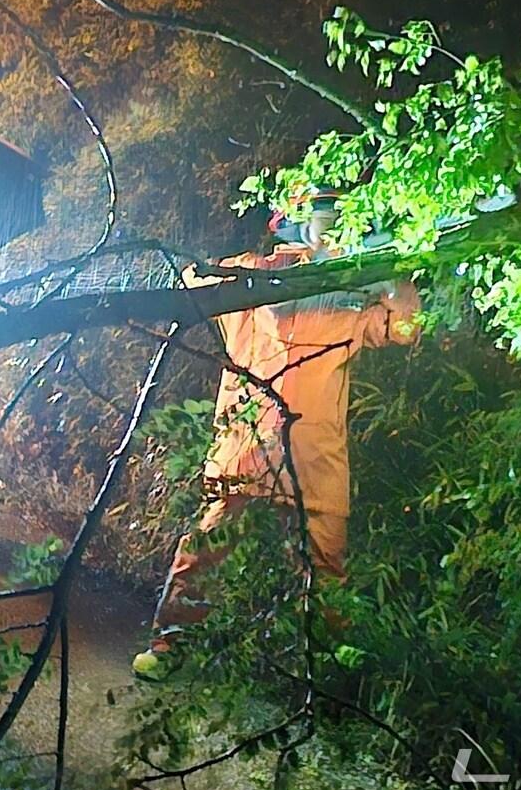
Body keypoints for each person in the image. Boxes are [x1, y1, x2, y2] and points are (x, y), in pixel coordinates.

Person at [133, 190, 421, 678]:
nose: (324, 227)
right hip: (245, 446)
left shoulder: (351, 293)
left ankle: (327, 663)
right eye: (316, 217)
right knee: (207, 548)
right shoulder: (252, 277)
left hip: (314, 451)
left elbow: (405, 327)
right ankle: (170, 643)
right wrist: (275, 266)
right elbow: (194, 281)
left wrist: (391, 275)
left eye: (334, 219)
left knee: (326, 556)